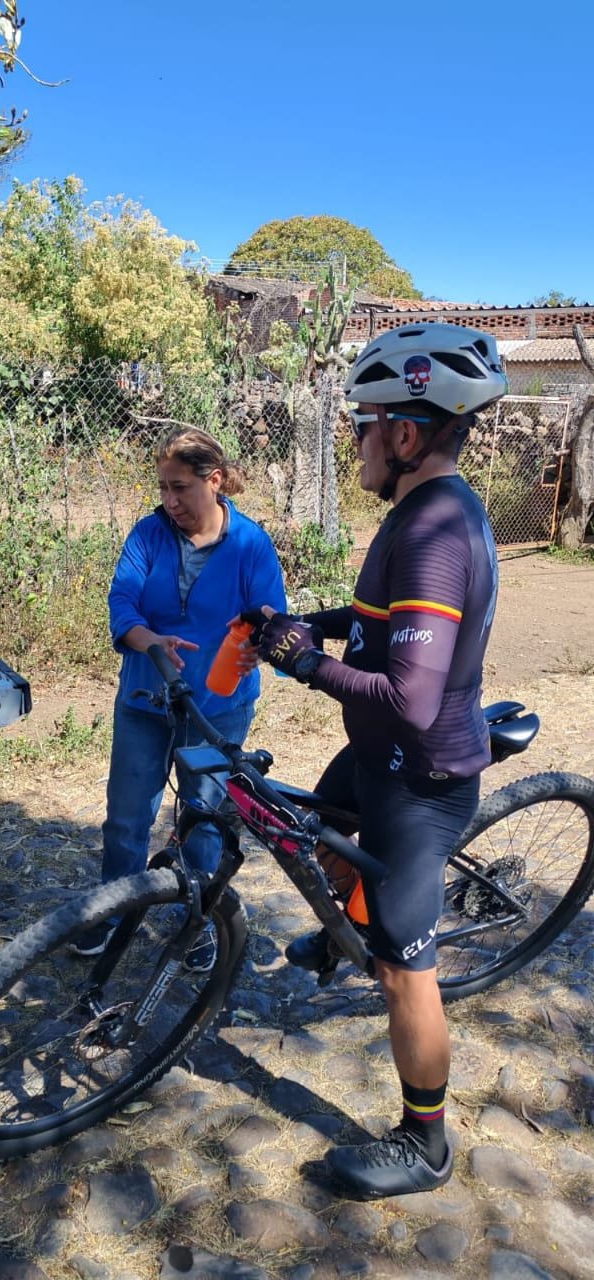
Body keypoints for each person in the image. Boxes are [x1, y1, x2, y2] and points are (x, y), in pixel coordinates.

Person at [244, 322, 507, 1199]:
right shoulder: (421, 512)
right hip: (375, 758)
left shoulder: (434, 534)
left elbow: (410, 697)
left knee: (402, 971)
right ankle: (337, 931)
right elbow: (376, 621)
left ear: (403, 432)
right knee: (315, 831)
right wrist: (306, 626)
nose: (353, 439)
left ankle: (425, 1144)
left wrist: (304, 665)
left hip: (420, 780)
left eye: (361, 423)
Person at [72, 426, 286, 967]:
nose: (170, 501)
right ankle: (113, 913)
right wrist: (152, 642)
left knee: (203, 817)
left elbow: (272, 618)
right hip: (146, 698)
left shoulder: (251, 544)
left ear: (214, 481)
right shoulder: (147, 535)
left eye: (181, 488)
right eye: (163, 488)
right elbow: (122, 603)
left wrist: (263, 643)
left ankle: (196, 921)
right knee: (127, 817)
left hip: (218, 709)